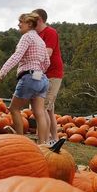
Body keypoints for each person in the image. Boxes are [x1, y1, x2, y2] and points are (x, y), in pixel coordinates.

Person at [0, 12, 50, 143]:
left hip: (29, 77)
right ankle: (42, 144)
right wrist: (39, 72)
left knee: (14, 108)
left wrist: (2, 72)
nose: (18, 24)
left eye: (21, 22)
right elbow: (47, 62)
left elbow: (17, 56)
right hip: (42, 79)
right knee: (39, 113)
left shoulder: (27, 37)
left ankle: (21, 141)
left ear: (29, 24)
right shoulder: (40, 41)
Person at [33, 8, 64, 147]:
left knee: (43, 107)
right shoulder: (36, 35)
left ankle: (44, 143)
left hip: (52, 74)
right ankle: (54, 139)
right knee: (49, 109)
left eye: (32, 19)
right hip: (41, 73)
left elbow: (47, 54)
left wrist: (33, 72)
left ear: (39, 19)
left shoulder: (50, 32)